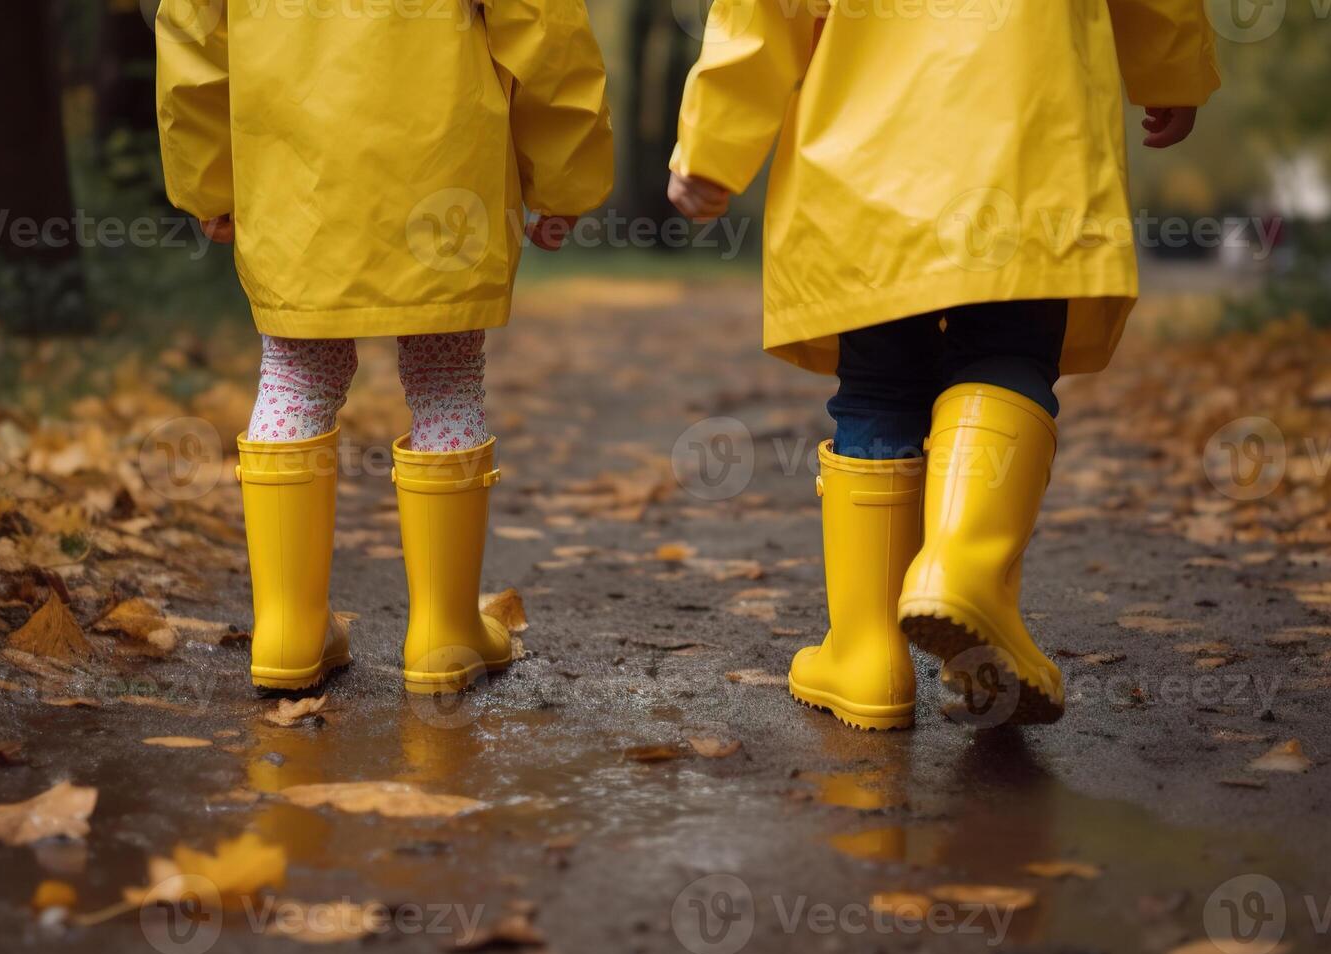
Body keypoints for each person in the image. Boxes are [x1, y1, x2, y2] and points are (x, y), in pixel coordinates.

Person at [669, 0, 1219, 727]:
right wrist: (1169, 66)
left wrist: (712, 145)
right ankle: (961, 571)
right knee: (1006, 352)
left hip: (863, 161)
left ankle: (866, 659)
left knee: (876, 385)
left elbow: (761, 13)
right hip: (1028, 141)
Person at [156, 0, 613, 694]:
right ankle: (442, 633)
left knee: (296, 371)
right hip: (445, 170)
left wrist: (206, 177)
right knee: (446, 378)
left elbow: (192, 38)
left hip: (294, 176)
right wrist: (564, 175)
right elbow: (545, 29)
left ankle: (287, 628)